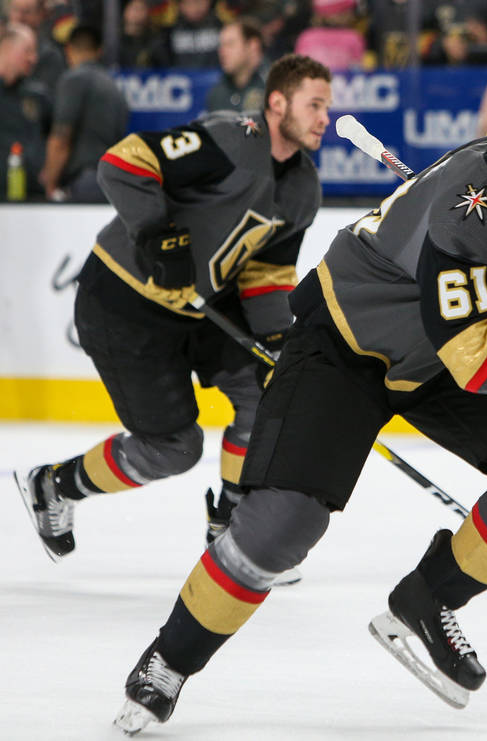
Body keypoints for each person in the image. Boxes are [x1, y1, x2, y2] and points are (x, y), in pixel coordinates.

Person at [112, 61, 487, 733]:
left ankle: (426, 602)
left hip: (433, 351)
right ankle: (169, 658)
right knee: (282, 525)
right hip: (345, 345)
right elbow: (482, 361)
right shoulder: (469, 208)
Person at [14, 55, 331, 580]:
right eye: (314, 105)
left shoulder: (303, 188)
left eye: (326, 106)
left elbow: (266, 273)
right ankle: (53, 485)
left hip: (201, 307)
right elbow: (125, 161)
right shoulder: (230, 140)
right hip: (123, 304)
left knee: (266, 389)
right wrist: (158, 232)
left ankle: (232, 530)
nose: (324, 118)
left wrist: (280, 340)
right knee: (175, 448)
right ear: (277, 103)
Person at [38, 24, 129, 202]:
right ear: (99, 51)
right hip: (110, 181)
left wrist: (50, 183)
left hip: (83, 181)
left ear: (68, 49)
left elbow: (61, 139)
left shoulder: (74, 79)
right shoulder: (114, 88)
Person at [0, 23, 50, 200]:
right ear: (6, 47)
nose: (33, 58)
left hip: (33, 196)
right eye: (27, 50)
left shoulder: (37, 96)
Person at [205, 18, 266, 112]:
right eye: (221, 45)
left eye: (230, 44)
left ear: (253, 46)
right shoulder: (217, 93)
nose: (222, 52)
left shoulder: (273, 85)